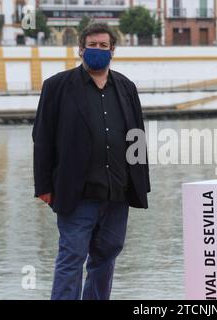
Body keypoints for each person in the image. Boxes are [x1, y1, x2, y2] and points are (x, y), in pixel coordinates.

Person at [32, 23, 150, 300]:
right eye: (92, 45)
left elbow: (137, 136)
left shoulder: (126, 87)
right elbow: (42, 138)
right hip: (77, 192)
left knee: (106, 258)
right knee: (71, 258)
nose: (98, 50)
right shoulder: (57, 87)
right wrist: (44, 187)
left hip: (117, 192)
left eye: (103, 46)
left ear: (113, 51)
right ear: (81, 49)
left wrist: (140, 183)